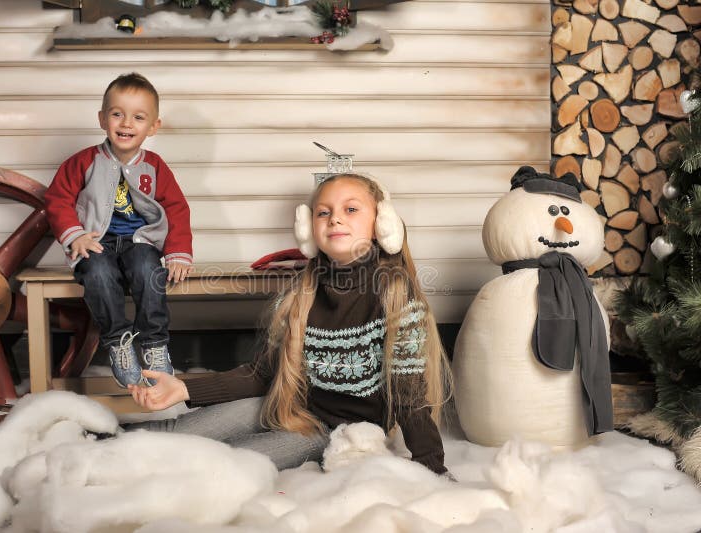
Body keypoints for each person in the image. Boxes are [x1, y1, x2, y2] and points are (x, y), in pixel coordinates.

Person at [126, 173, 452, 474]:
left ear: (382, 224)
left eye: (351, 209)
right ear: (309, 229)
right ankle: (89, 452)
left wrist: (431, 467)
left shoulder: (395, 297)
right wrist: (184, 387)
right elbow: (265, 373)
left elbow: (410, 395)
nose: (335, 218)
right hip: (284, 407)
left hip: (330, 433)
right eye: (323, 212)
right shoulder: (302, 295)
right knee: (174, 435)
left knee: (224, 464)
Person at [44, 72, 192, 388]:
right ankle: (119, 342)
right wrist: (75, 234)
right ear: (102, 119)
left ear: (153, 127)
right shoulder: (83, 162)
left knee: (147, 270)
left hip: (141, 240)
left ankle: (154, 343)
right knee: (97, 274)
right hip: (96, 241)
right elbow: (58, 199)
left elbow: (176, 208)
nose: (126, 123)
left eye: (138, 117)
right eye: (117, 114)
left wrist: (178, 253)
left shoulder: (155, 166)